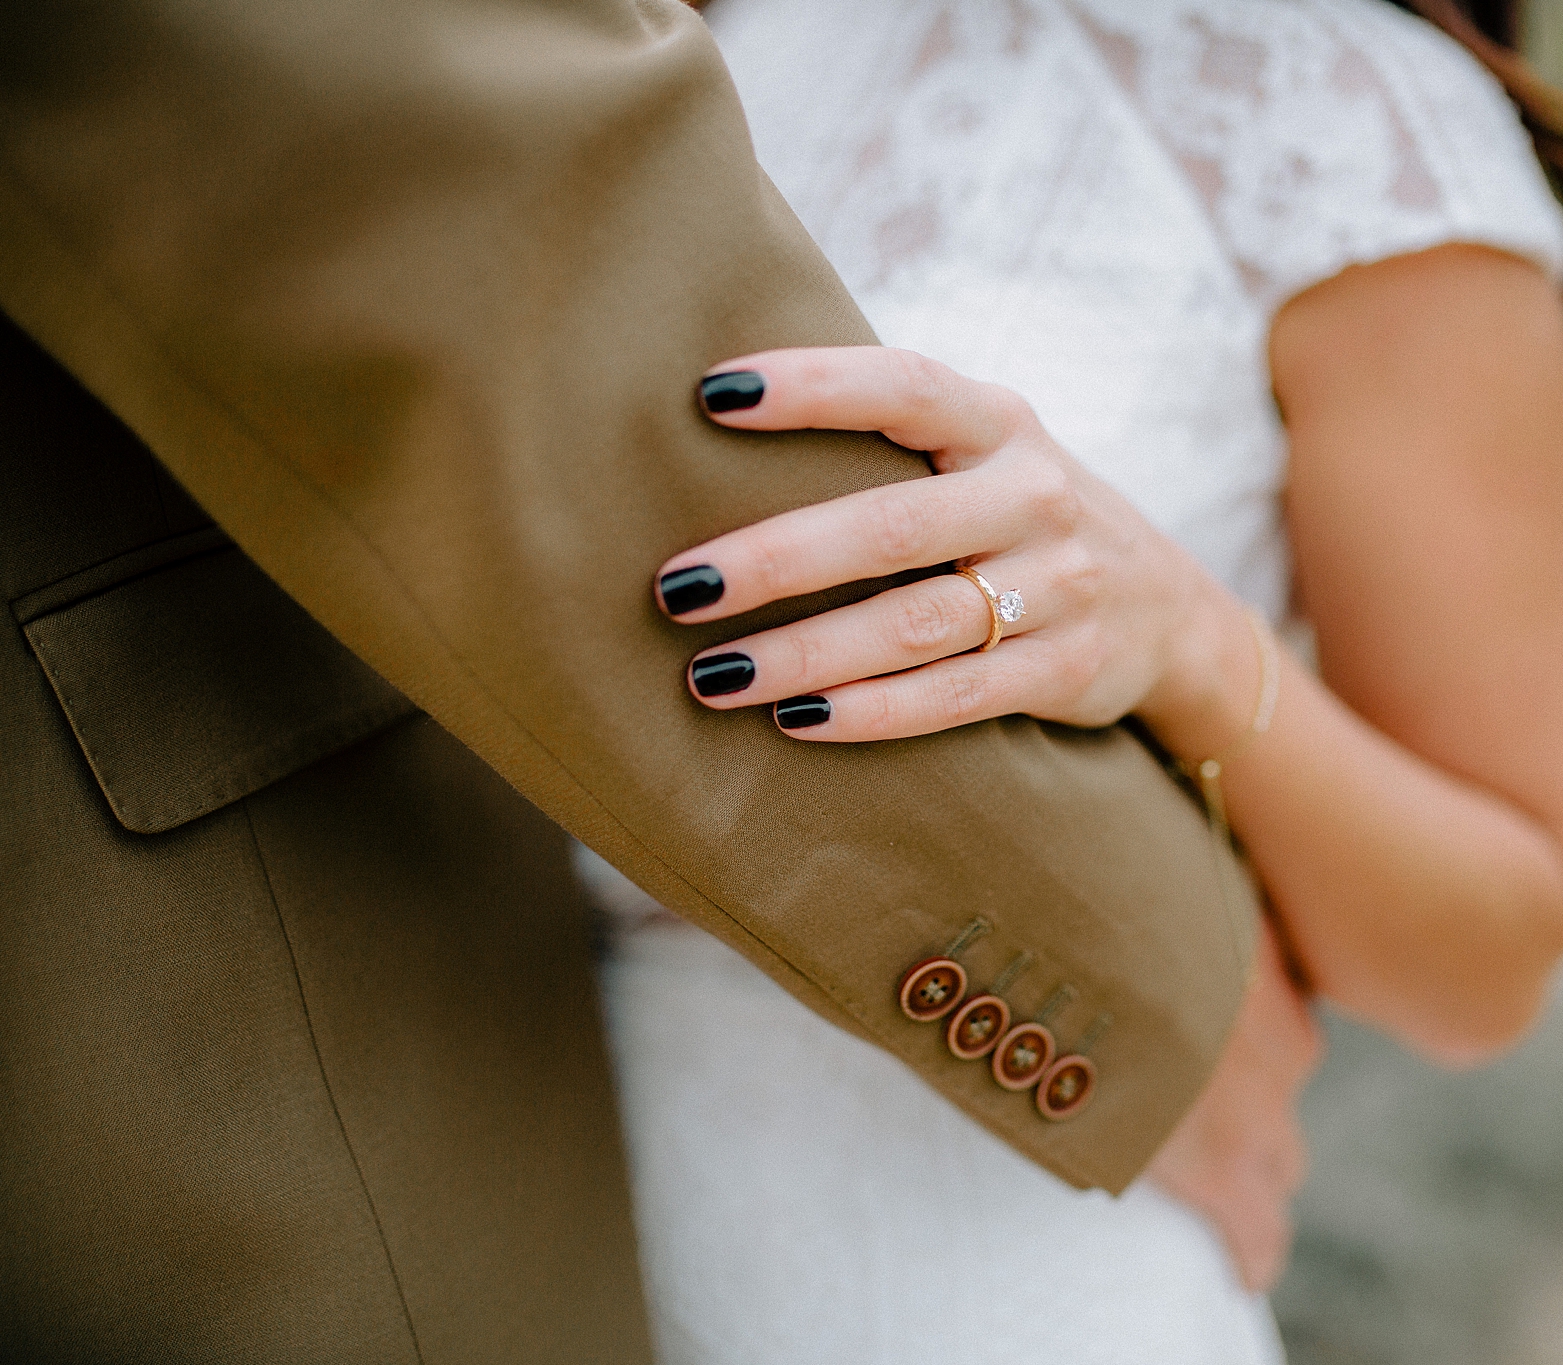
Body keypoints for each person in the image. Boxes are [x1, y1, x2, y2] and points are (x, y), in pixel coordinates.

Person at [0, 0, 1272, 1355]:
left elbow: (1508, 903)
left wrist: (1197, 646)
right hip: (352, 1057)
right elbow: (487, 216)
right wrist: (1140, 994)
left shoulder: (1351, 134)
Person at [592, 0, 1563, 1359]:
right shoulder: (651, 34)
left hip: (981, 1269)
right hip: (477, 1187)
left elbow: (1494, 948)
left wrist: (1182, 634)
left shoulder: (1360, 135)